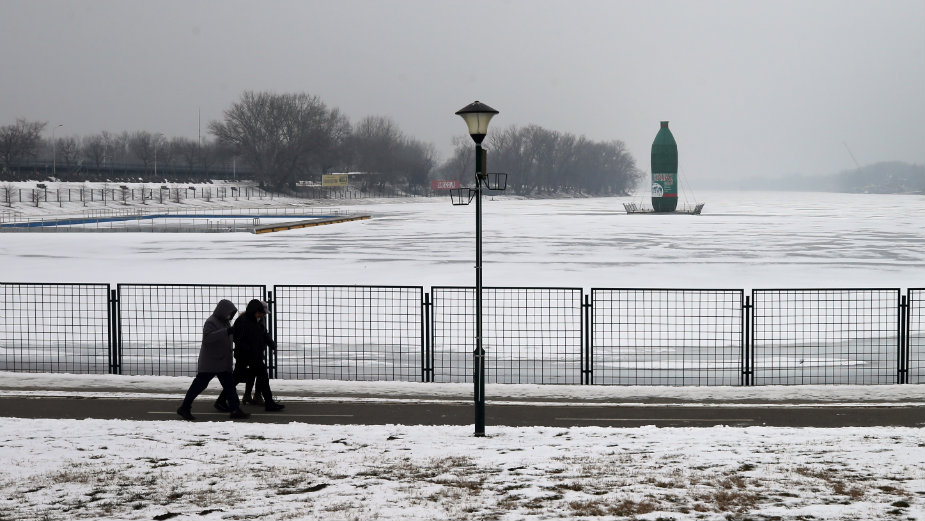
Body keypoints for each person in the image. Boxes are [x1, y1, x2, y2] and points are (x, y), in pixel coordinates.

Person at [176, 299, 250, 421]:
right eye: (229, 313)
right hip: (210, 362)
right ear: (223, 311)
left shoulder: (226, 323)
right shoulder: (211, 322)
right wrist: (227, 331)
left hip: (222, 361)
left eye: (232, 313)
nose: (230, 316)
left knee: (230, 386)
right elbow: (208, 338)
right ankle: (184, 408)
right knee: (199, 386)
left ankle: (235, 409)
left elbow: (229, 338)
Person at [225, 299, 284, 412]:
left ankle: (267, 402)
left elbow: (263, 335)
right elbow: (239, 340)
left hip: (254, 355)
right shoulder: (243, 321)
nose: (263, 315)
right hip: (246, 356)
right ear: (255, 310)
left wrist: (272, 345)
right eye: (262, 312)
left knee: (261, 377)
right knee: (238, 378)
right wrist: (250, 350)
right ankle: (222, 400)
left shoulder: (257, 321)